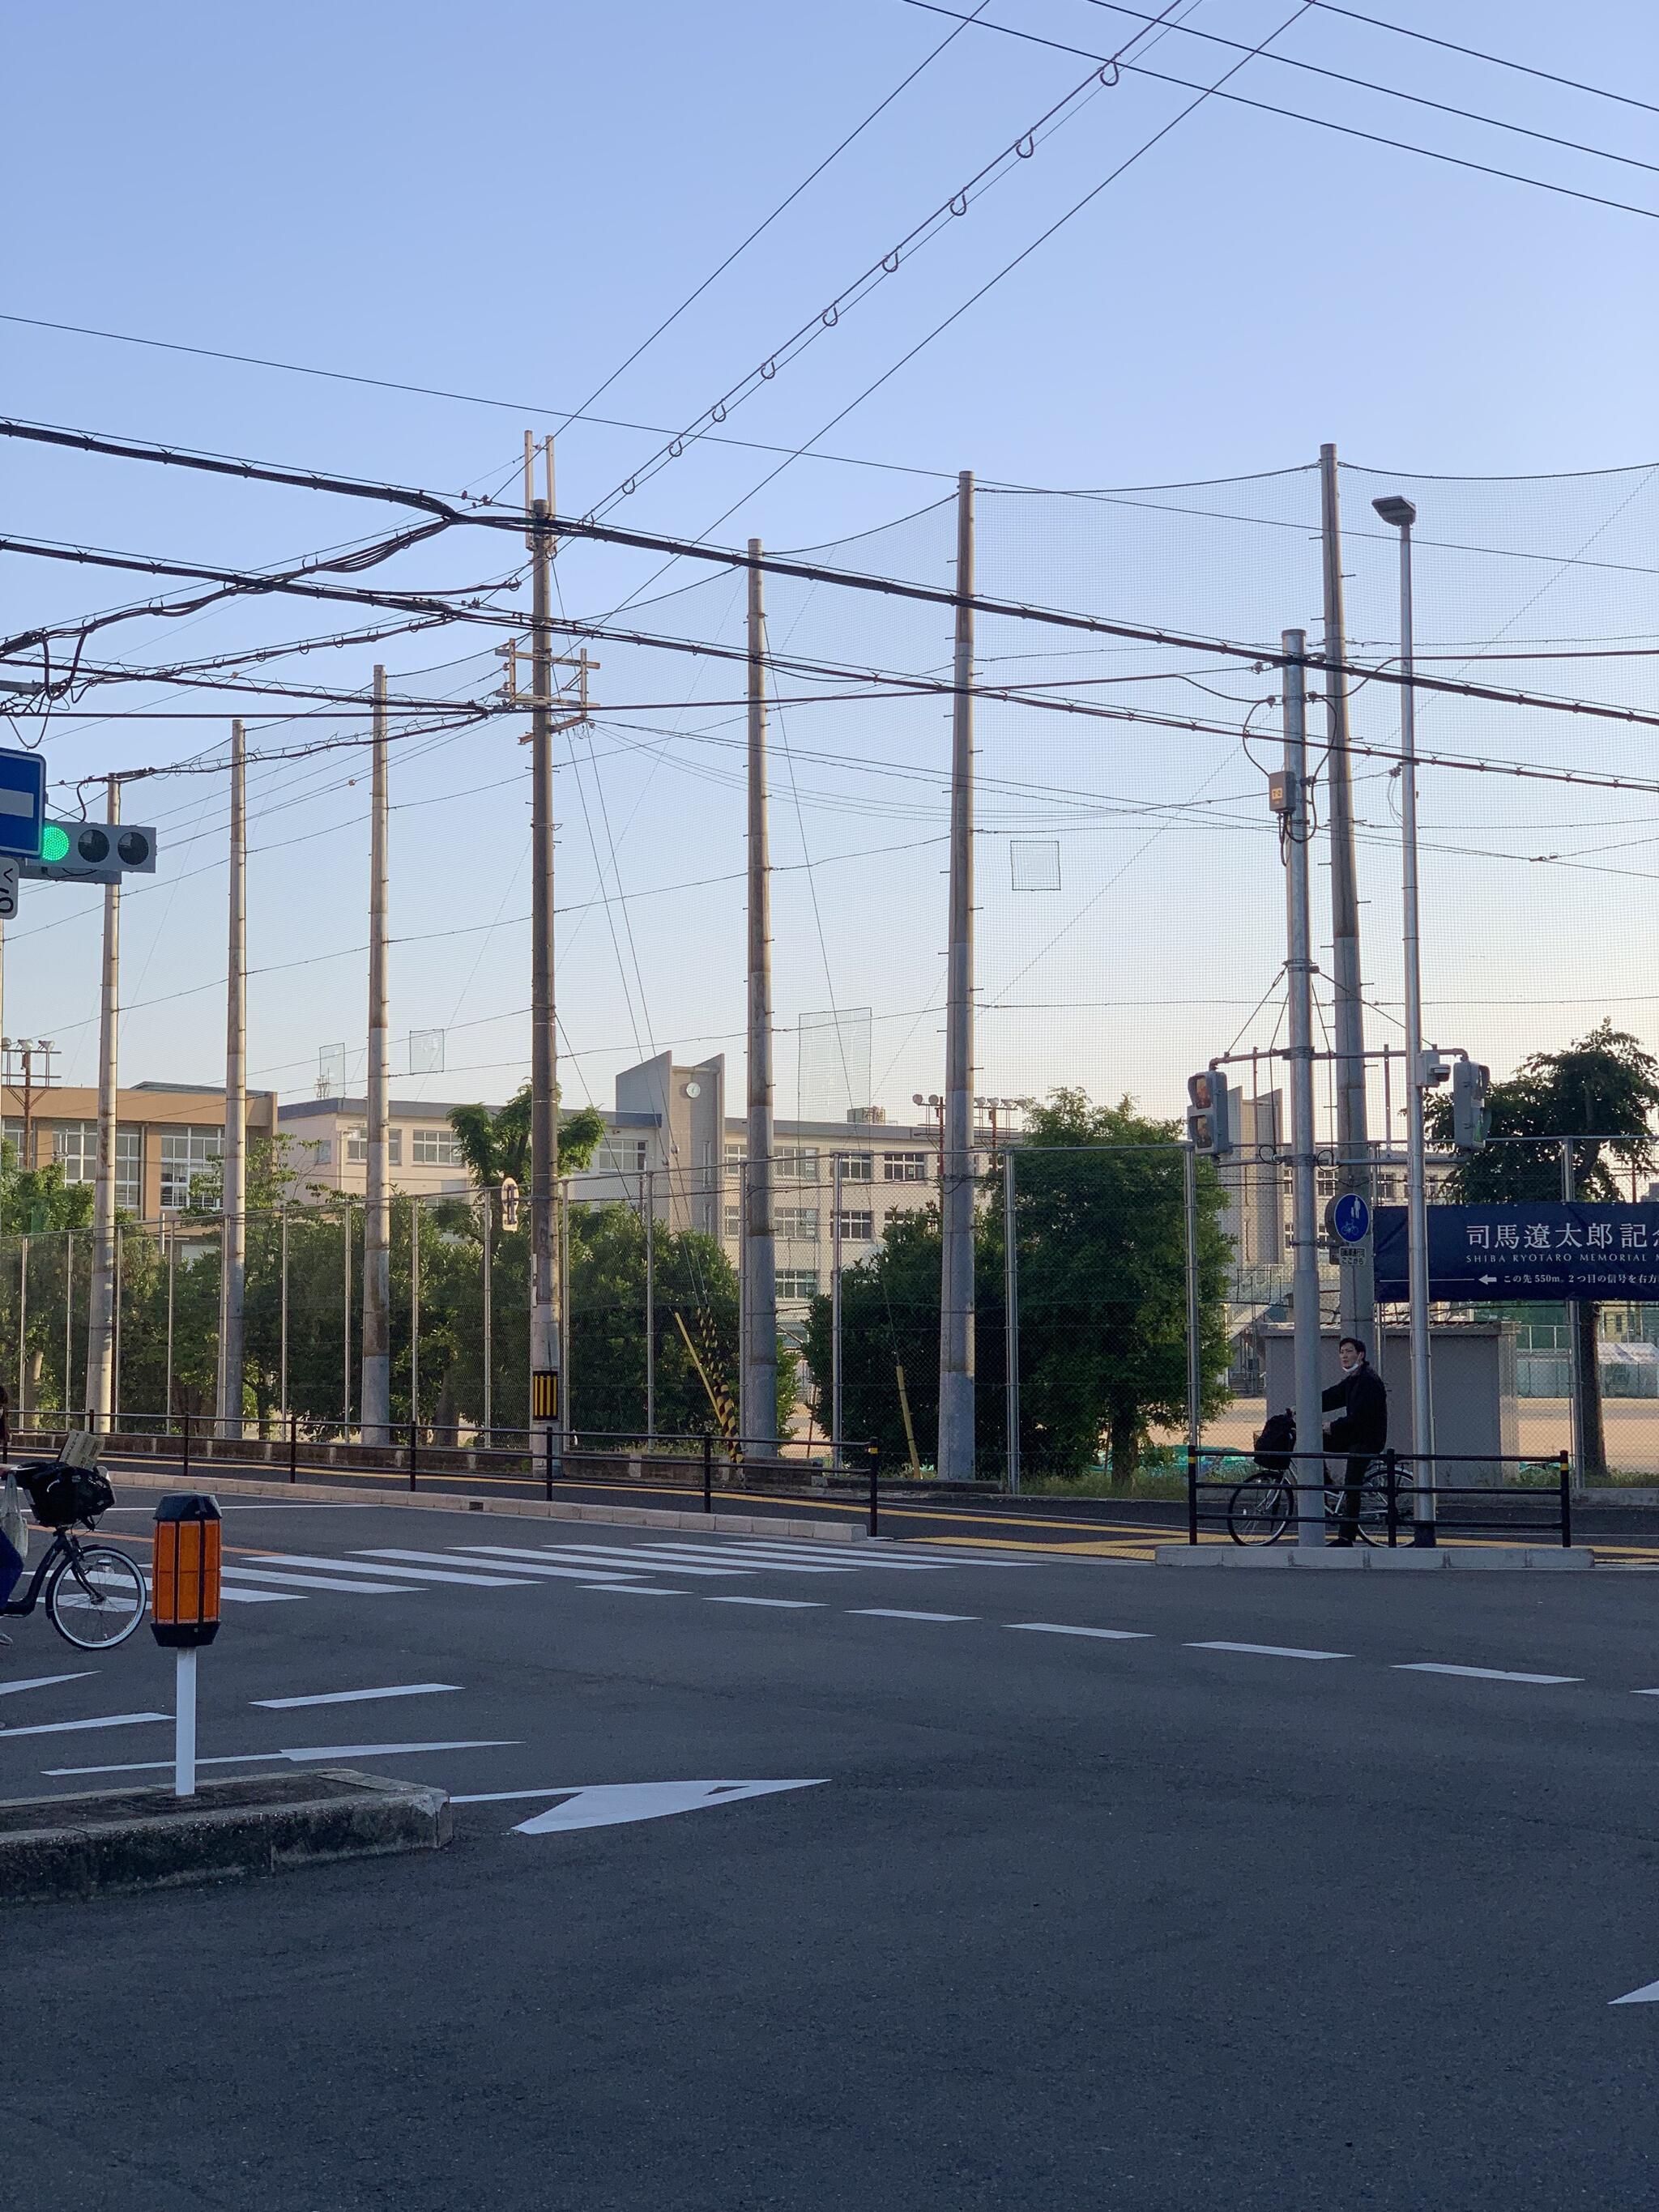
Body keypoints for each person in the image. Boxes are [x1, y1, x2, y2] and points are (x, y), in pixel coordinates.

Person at [1321, 1337, 1388, 1545]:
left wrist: (1333, 1426)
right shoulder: (1354, 1379)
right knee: (1314, 1443)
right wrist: (1303, 1404)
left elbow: (1359, 1417)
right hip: (1355, 1435)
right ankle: (1327, 1484)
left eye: (1349, 1351)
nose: (1344, 1355)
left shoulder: (1367, 1380)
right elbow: (1333, 1396)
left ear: (1361, 1355)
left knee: (1352, 1484)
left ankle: (1346, 1537)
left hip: (1367, 1439)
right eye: (1341, 1352)